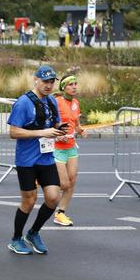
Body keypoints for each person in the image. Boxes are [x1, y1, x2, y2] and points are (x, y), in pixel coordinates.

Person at [7, 65, 66, 255]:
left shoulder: (51, 101)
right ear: (36, 80)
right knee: (29, 201)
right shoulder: (23, 103)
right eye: (45, 81)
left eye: (51, 82)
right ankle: (16, 238)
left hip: (46, 158)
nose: (48, 85)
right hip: (27, 160)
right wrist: (42, 132)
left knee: (53, 197)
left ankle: (33, 233)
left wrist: (60, 129)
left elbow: (52, 124)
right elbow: (13, 132)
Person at [53, 75, 85, 226]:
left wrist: (81, 131)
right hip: (57, 148)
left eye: (75, 84)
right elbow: (50, 124)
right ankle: (43, 179)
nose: (74, 87)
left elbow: (76, 124)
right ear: (63, 87)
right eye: (70, 84)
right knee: (64, 184)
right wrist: (57, 137)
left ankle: (60, 213)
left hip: (71, 147)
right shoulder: (57, 102)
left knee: (72, 181)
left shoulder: (76, 103)